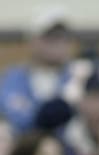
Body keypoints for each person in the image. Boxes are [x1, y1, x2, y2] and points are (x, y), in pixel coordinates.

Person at [0, 6, 75, 135]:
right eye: (51, 37)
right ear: (33, 41)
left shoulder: (76, 76)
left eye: (63, 37)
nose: (58, 43)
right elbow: (16, 118)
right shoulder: (13, 78)